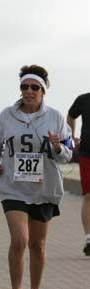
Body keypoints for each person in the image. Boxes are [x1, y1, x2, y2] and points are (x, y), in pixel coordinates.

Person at [0, 65, 72, 289]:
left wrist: (58, 147)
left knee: (37, 244)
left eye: (34, 87)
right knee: (19, 240)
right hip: (13, 187)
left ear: (43, 90)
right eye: (24, 87)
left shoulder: (55, 117)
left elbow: (67, 155)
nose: (29, 91)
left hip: (44, 188)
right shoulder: (5, 116)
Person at [67, 95, 90, 256]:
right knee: (88, 196)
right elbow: (71, 115)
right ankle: (89, 238)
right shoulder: (83, 100)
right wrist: (71, 138)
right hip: (86, 154)